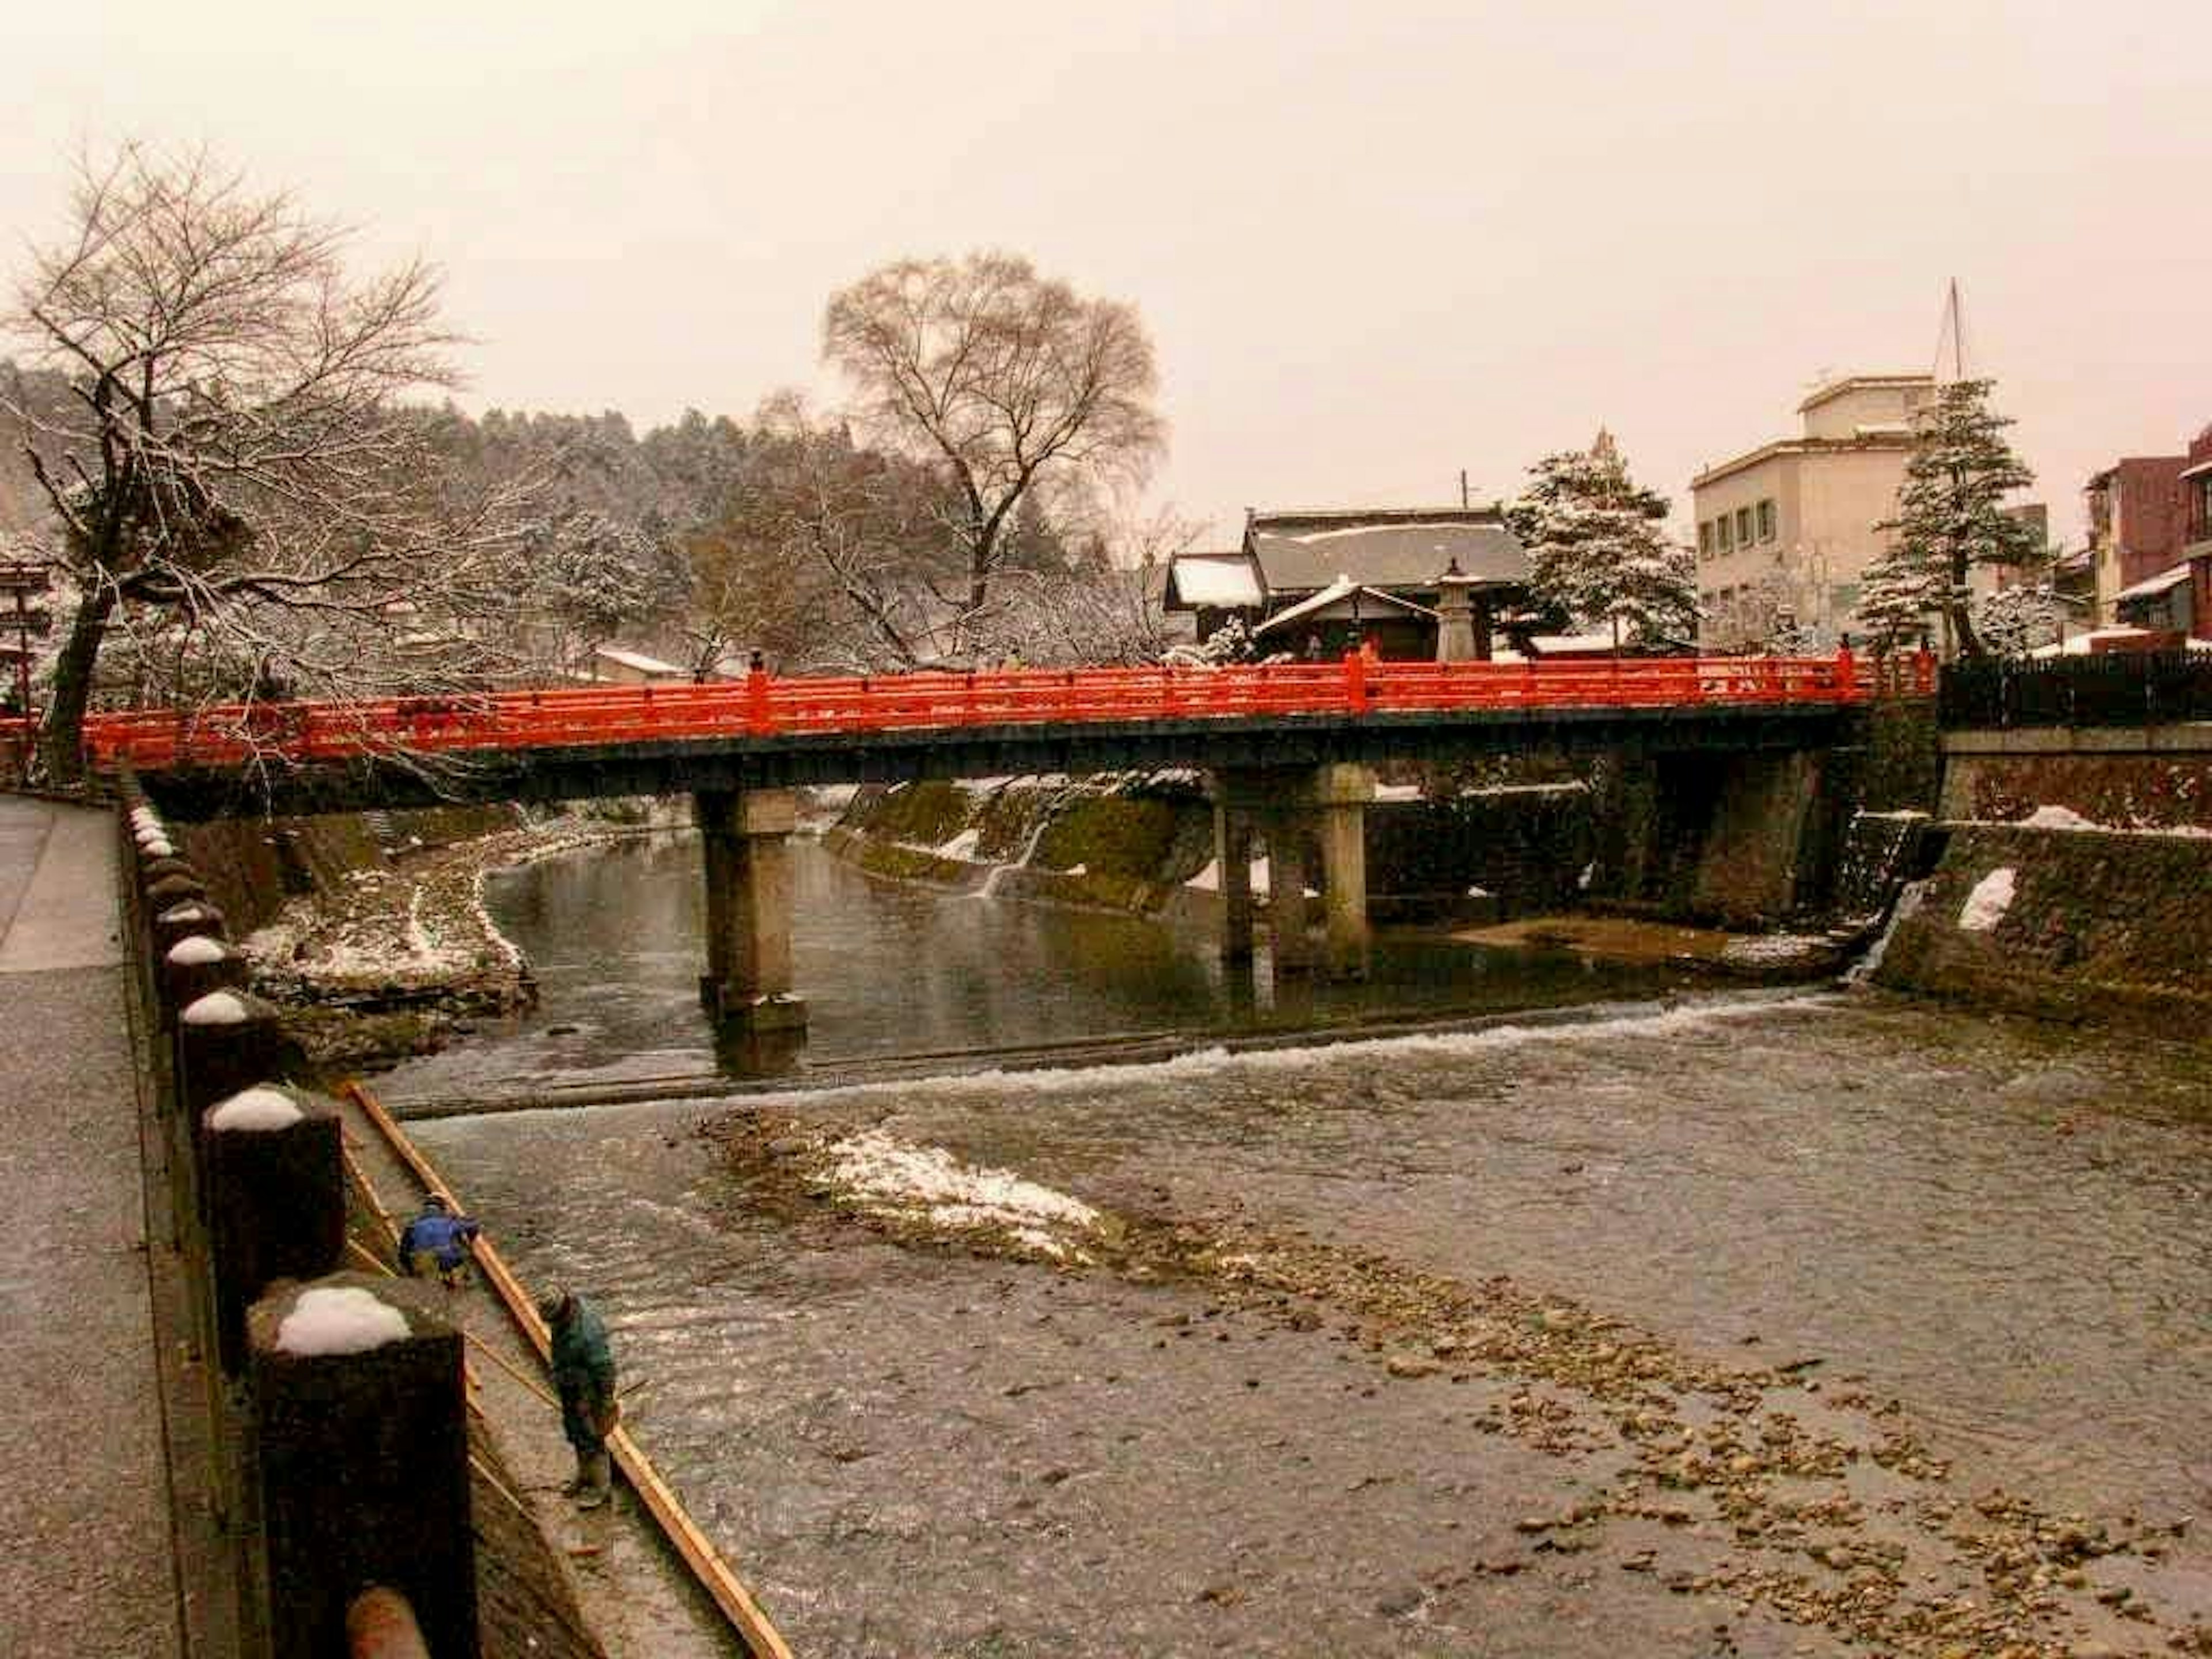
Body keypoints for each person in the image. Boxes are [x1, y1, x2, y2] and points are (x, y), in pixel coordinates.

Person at [539, 1287, 619, 1509]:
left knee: (593, 1437)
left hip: (588, 1390)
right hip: (570, 1382)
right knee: (575, 1432)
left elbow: (605, 1369)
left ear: (564, 1312)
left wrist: (605, 1400)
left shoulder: (588, 1334)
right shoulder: (562, 1316)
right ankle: (584, 1476)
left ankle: (603, 1490)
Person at [396, 1192, 480, 1289]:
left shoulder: (412, 1226)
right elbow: (474, 1225)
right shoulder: (450, 1222)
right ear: (443, 1208)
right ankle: (461, 1280)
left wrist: (410, 1271)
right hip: (448, 1262)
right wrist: (471, 1242)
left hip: (426, 1266)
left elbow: (403, 1253)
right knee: (457, 1249)